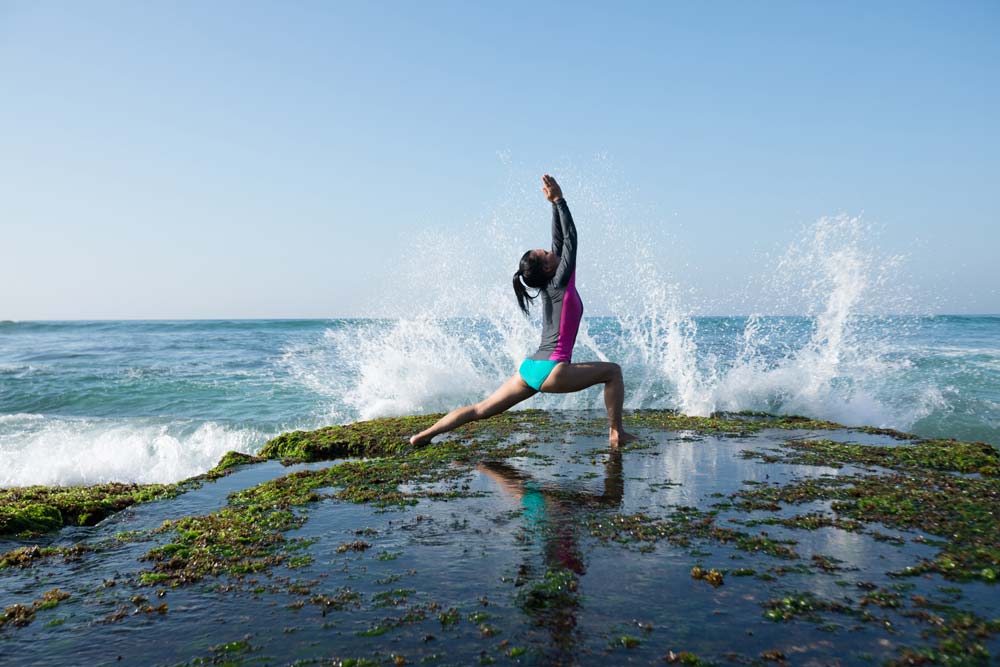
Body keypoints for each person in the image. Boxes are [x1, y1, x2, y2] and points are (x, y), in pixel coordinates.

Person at [409, 174, 636, 447]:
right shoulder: (562, 281)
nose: (551, 251)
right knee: (613, 372)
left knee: (480, 409)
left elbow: (559, 241)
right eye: (546, 253)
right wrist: (561, 201)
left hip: (531, 369)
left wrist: (553, 205)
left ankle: (423, 436)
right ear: (548, 268)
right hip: (554, 370)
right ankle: (616, 433)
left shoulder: (550, 282)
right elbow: (571, 238)